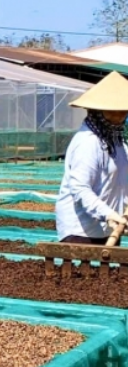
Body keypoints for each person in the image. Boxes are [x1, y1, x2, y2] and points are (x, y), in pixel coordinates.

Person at [55, 71, 128, 245]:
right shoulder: (88, 142)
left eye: (123, 111)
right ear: (96, 112)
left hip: (109, 227)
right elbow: (80, 188)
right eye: (112, 112)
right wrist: (107, 213)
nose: (118, 117)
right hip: (81, 230)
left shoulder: (117, 141)